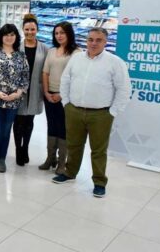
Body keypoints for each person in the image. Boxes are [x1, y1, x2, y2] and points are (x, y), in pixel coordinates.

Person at [52, 27, 131, 198]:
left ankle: (99, 182)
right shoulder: (77, 58)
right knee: (73, 144)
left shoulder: (115, 62)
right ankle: (69, 172)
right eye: (90, 39)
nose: (93, 43)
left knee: (98, 150)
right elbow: (66, 80)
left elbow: (124, 89)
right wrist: (66, 103)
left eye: (98, 40)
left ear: (105, 42)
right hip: (74, 110)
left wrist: (113, 112)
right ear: (86, 41)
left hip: (101, 114)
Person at [0, 24, 30, 173]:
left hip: (13, 100)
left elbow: (25, 76)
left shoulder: (21, 55)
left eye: (12, 35)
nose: (9, 37)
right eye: (6, 35)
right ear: (1, 36)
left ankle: (2, 159)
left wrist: (18, 93)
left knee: (6, 130)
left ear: (16, 37)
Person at [40, 22, 80, 174]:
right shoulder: (51, 51)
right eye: (56, 33)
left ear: (69, 34)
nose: (59, 36)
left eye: (62, 33)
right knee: (52, 125)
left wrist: (61, 94)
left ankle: (62, 162)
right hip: (49, 94)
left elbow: (75, 77)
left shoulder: (76, 53)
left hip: (65, 96)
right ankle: (50, 158)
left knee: (63, 128)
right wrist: (46, 92)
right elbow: (45, 72)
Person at [13, 15, 48, 166]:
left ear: (37, 30)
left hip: (35, 89)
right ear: (23, 30)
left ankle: (25, 148)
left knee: (29, 121)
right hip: (18, 91)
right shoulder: (17, 48)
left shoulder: (44, 49)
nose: (30, 32)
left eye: (32, 29)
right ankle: (18, 150)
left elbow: (46, 70)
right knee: (18, 121)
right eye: (27, 29)